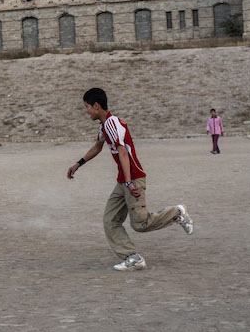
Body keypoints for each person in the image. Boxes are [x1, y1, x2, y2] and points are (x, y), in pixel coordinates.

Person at [67, 88, 194, 271]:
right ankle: (132, 257)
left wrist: (129, 182)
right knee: (110, 220)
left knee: (141, 224)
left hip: (133, 179)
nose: (86, 111)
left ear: (96, 106)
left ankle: (177, 213)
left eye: (87, 107)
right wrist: (78, 164)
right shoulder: (103, 126)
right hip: (123, 181)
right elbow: (97, 147)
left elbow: (123, 153)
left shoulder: (112, 123)